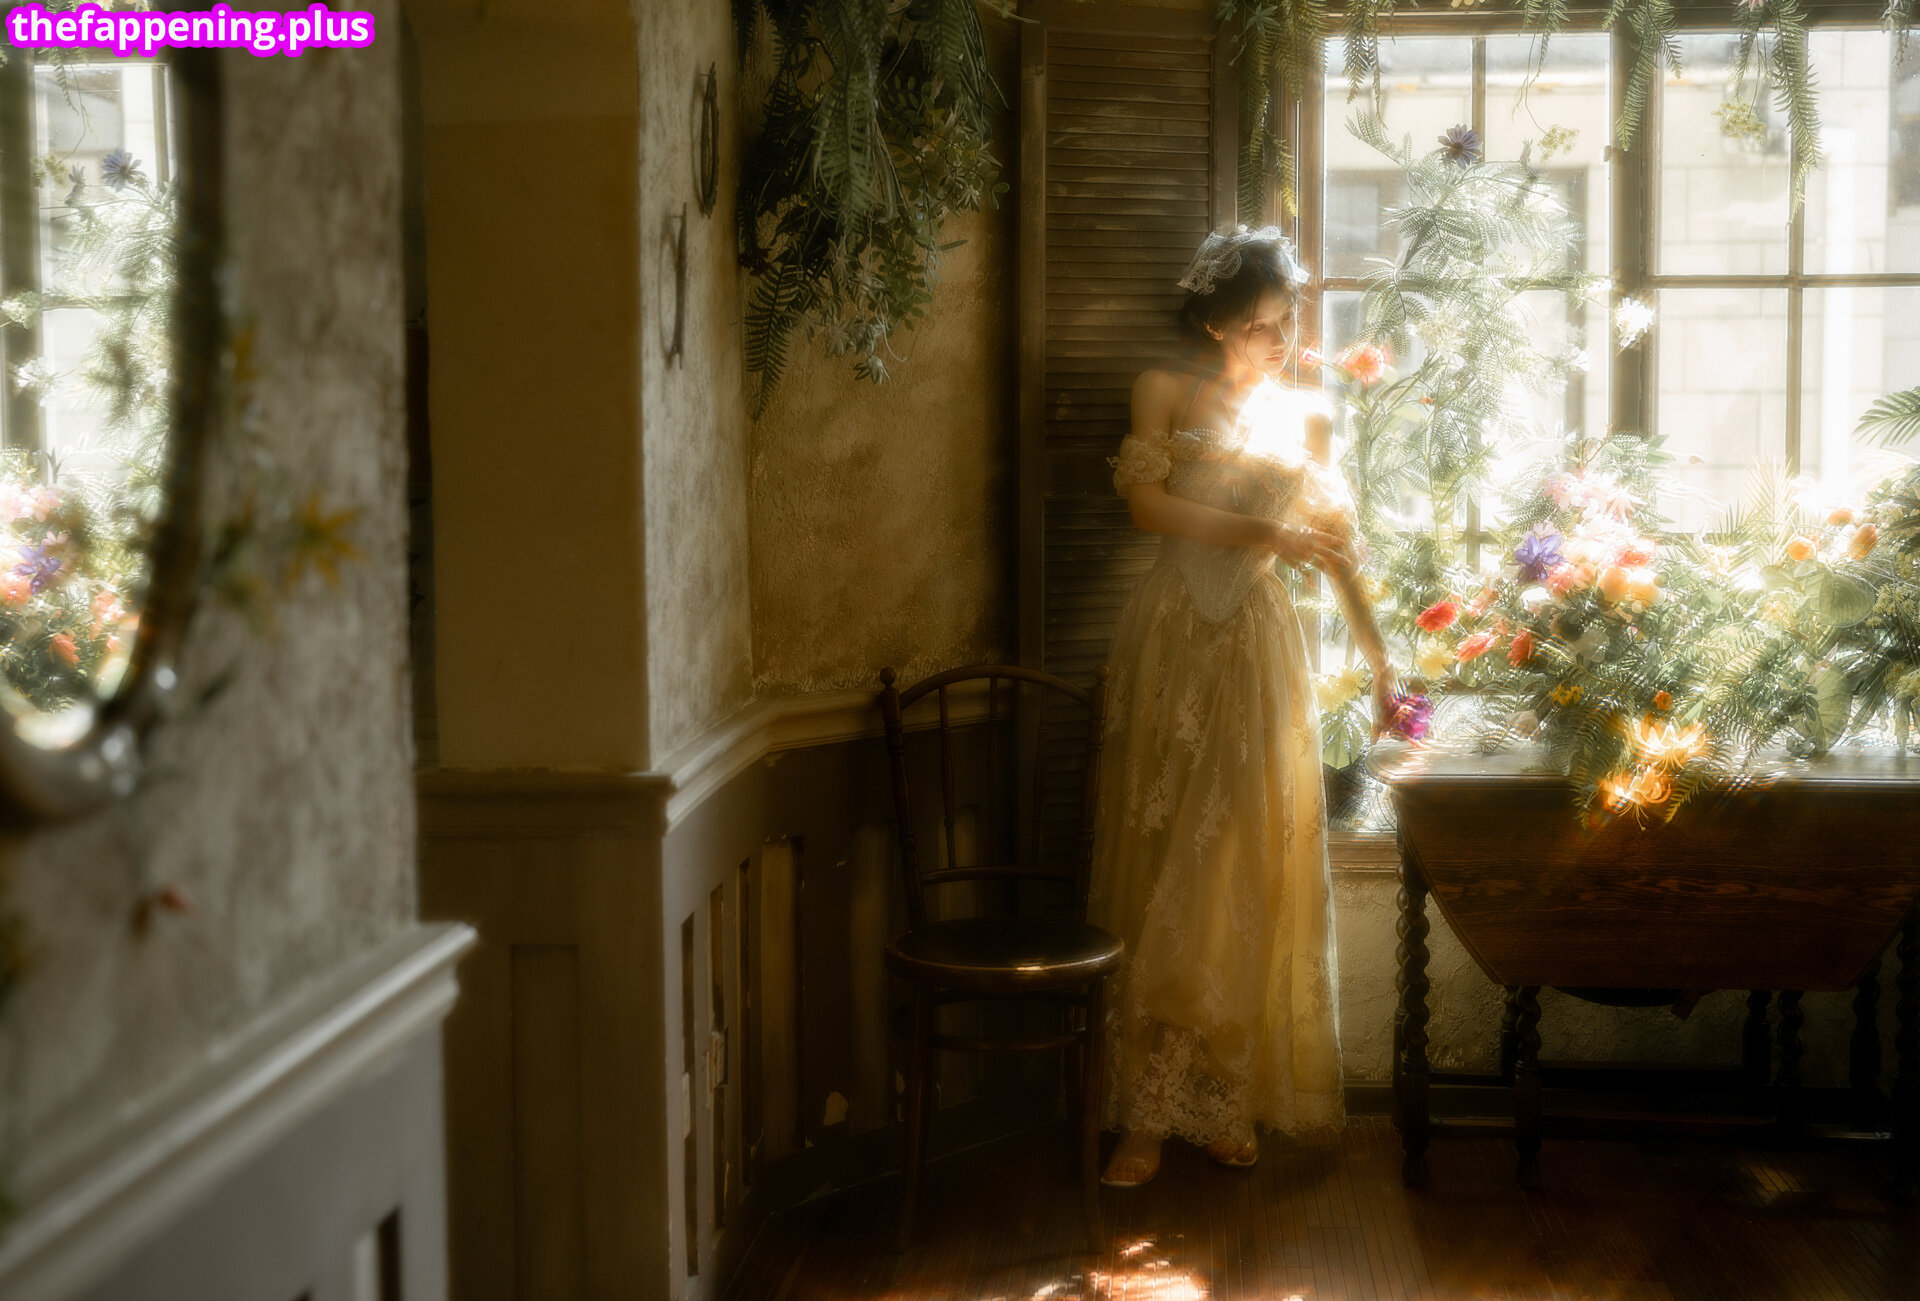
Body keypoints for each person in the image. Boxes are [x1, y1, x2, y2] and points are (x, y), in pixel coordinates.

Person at [1088, 224, 1396, 1188]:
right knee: (1163, 858)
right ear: (1217, 321)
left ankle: (1224, 1095)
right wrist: (1268, 530)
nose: (1281, 338)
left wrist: (1382, 661)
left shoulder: (1308, 413)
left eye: (1287, 320)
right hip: (1172, 634)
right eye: (1263, 324)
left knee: (1234, 864)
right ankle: (1144, 1113)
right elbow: (1148, 509)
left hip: (1259, 645)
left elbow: (1332, 545)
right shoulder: (1163, 390)